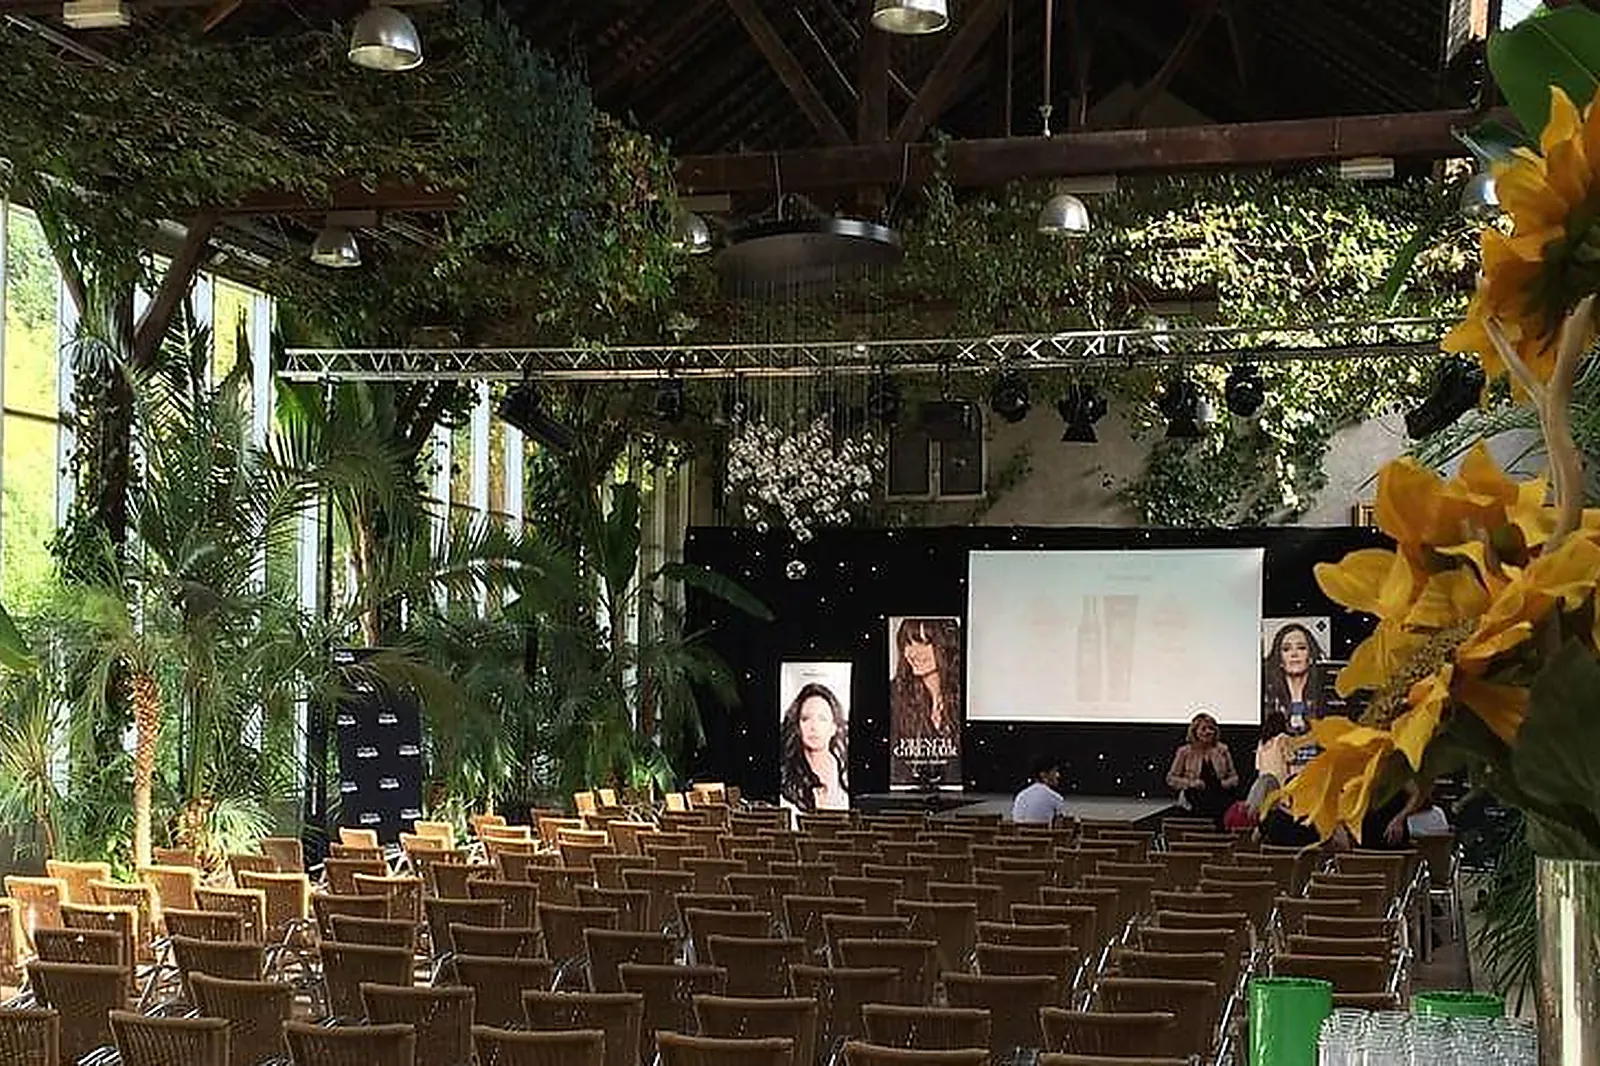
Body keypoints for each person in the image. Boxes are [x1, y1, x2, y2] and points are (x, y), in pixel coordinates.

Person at [889, 618, 963, 787]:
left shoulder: (964, 695)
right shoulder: (895, 695)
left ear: (946, 646)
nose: (913, 653)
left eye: (923, 643)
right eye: (908, 643)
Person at [779, 682, 849, 812]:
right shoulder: (787, 777)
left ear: (834, 727)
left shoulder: (845, 774)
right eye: (805, 719)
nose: (813, 727)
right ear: (798, 726)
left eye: (822, 719)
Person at [1167, 712, 1240, 826]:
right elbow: (1171, 779)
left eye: (1211, 728)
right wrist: (1191, 783)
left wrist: (1225, 783)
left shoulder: (1223, 750)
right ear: (1195, 731)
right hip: (1193, 799)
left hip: (1219, 798)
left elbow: (1234, 777)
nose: (1208, 732)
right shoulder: (1184, 752)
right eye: (1204, 729)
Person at [1012, 756, 1070, 825]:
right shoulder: (1055, 798)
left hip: (1019, 835)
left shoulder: (1020, 796)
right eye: (1054, 771)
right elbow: (1061, 828)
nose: (1058, 775)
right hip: (1045, 835)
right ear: (1043, 774)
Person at [1255, 710, 1294, 786]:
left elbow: (1258, 765)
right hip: (1280, 780)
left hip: (1263, 782)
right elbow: (1290, 758)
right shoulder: (1282, 738)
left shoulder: (1262, 742)